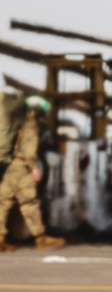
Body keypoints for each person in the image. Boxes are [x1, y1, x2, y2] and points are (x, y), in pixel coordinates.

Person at [0, 97, 64, 253]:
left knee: (3, 202)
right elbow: (29, 149)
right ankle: (41, 238)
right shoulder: (30, 123)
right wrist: (34, 167)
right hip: (22, 167)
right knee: (29, 202)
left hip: (8, 166)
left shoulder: (14, 121)